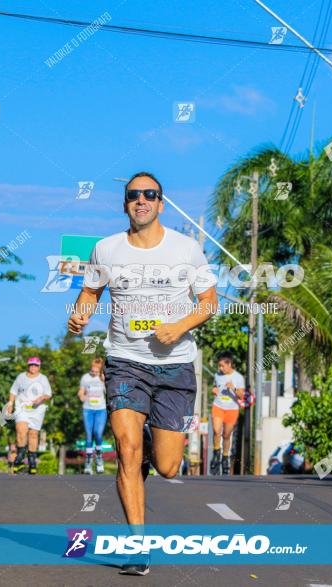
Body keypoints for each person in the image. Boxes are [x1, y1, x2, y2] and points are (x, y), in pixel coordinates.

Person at [68, 171, 218, 576]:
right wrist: (80, 315)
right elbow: (90, 291)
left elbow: (208, 302)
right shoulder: (106, 249)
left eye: (149, 195)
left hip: (175, 365)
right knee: (126, 450)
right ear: (125, 204)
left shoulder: (187, 249)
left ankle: (152, 444)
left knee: (168, 467)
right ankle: (138, 545)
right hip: (124, 361)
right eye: (134, 195)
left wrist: (180, 326)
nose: (141, 200)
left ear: (160, 203)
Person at [6, 357, 52, 475]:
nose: (33, 367)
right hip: (22, 409)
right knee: (21, 430)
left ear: (39, 367)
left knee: (33, 434)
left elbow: (48, 394)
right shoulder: (21, 377)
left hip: (37, 410)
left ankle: (32, 461)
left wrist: (41, 398)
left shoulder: (43, 378)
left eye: (36, 365)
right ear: (28, 365)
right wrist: (10, 404)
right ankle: (20, 455)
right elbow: (13, 392)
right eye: (31, 365)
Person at [210, 352, 245, 476]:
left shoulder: (238, 377)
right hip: (218, 406)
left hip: (232, 409)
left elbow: (242, 395)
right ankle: (216, 454)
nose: (220, 368)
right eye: (219, 366)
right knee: (216, 430)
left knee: (226, 435)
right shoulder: (217, 375)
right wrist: (213, 390)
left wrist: (233, 388)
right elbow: (215, 387)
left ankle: (225, 457)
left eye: (222, 366)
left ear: (229, 363)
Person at [79, 357, 108, 475]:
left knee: (98, 433)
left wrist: (103, 379)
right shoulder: (85, 378)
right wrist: (81, 396)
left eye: (96, 370)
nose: (94, 372)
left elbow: (109, 391)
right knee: (89, 435)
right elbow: (81, 391)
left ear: (100, 369)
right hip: (88, 409)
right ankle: (89, 462)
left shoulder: (103, 378)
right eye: (93, 369)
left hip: (101, 409)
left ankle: (99, 457)